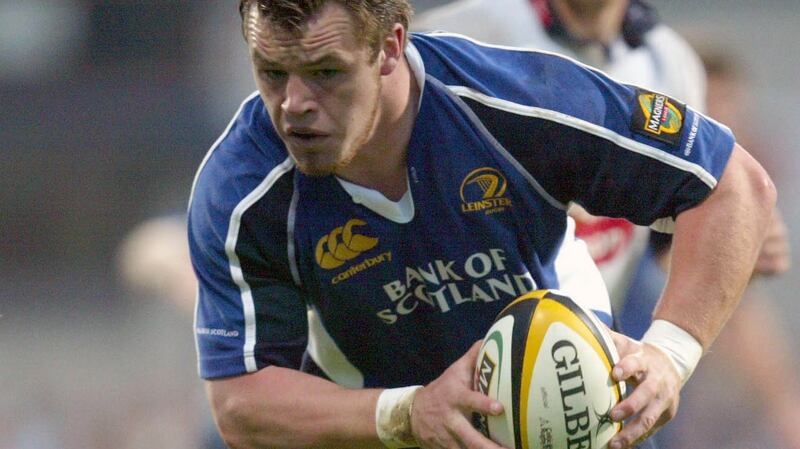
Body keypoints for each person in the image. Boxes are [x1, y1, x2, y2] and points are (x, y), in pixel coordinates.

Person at [187, 1, 776, 449]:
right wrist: (406, 412)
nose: (293, 105)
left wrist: (671, 353)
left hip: (562, 407)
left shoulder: (520, 99)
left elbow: (734, 185)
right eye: (271, 72)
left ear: (391, 47)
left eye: (325, 73)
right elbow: (239, 401)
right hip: (371, 427)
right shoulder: (240, 191)